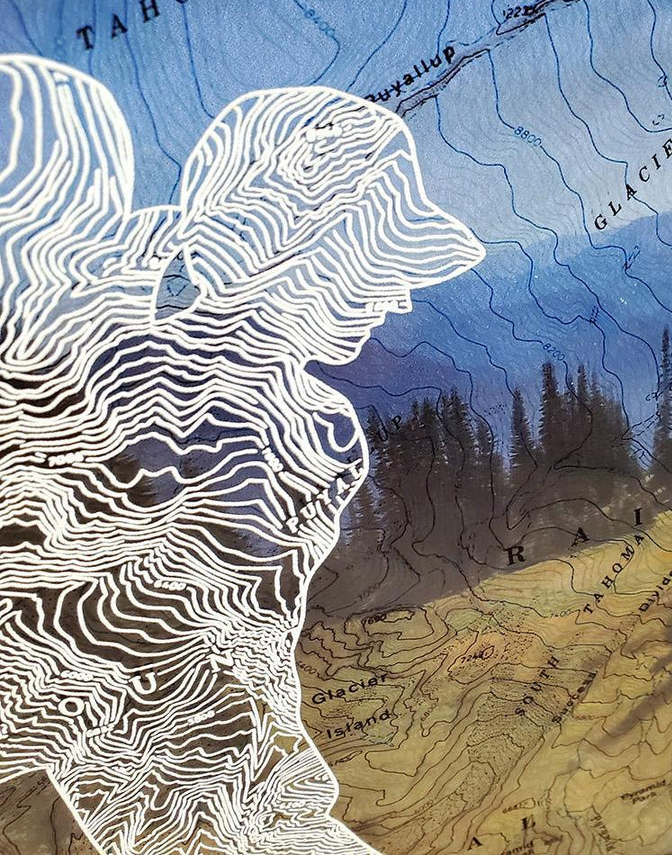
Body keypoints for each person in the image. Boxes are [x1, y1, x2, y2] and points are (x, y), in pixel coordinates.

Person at [0, 55, 484, 854]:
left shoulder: (313, 439)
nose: (396, 295)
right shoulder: (100, 392)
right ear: (294, 243)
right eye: (376, 256)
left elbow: (241, 669)